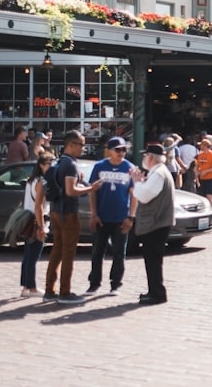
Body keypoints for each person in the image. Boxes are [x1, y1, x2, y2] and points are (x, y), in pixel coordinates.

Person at [43, 130, 100, 305]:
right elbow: (70, 191)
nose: (83, 148)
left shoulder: (60, 162)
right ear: (71, 145)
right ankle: (65, 292)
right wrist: (91, 188)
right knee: (68, 252)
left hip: (55, 210)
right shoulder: (71, 165)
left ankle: (49, 290)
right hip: (68, 212)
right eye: (81, 144)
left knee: (57, 251)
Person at [85, 136, 135, 296]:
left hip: (121, 217)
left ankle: (115, 284)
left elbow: (134, 195)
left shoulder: (130, 168)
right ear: (110, 151)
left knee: (119, 252)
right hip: (102, 216)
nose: (121, 152)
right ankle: (94, 283)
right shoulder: (100, 167)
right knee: (97, 251)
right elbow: (93, 191)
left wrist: (130, 217)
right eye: (118, 149)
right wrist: (93, 214)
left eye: (124, 149)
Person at [128, 143, 176, 305]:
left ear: (151, 158)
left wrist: (136, 182)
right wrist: (142, 182)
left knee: (153, 261)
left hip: (156, 224)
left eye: (145, 155)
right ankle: (154, 291)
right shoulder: (158, 172)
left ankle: (157, 293)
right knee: (152, 260)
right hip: (157, 223)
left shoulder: (159, 174)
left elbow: (143, 196)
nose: (143, 158)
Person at [20, 153, 52, 297]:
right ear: (41, 165)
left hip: (28, 218)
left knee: (28, 254)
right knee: (33, 254)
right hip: (36, 220)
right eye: (49, 164)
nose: (51, 167)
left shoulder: (31, 180)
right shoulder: (41, 182)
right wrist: (41, 226)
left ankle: (26, 286)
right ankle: (31, 287)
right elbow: (38, 206)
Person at [194, 138, 212, 206]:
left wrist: (206, 171)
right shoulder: (200, 155)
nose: (200, 146)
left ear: (205, 146)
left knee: (209, 195)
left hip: (211, 177)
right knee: (202, 196)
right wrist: (197, 171)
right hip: (202, 178)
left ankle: (211, 209)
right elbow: (198, 165)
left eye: (201, 145)